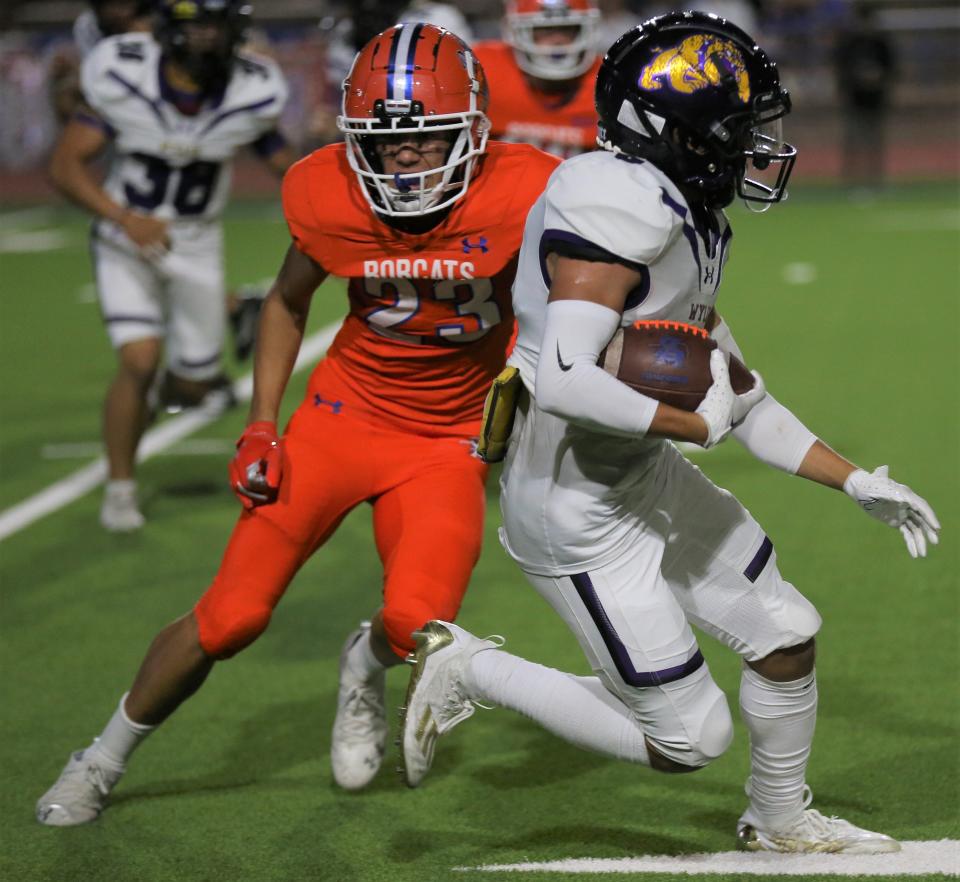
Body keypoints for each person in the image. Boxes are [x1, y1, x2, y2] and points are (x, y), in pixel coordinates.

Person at [399, 12, 940, 855]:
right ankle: (467, 666)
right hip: (573, 509)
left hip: (638, 473)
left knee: (785, 633)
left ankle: (778, 817)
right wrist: (694, 421)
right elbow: (569, 379)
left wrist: (854, 480)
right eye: (737, 127)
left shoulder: (678, 210)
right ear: (675, 132)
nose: (758, 145)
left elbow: (741, 393)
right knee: (689, 740)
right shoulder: (615, 206)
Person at [36, 23, 560, 825]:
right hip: (343, 418)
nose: (406, 160)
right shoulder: (331, 193)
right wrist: (262, 425)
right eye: (387, 144)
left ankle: (363, 666)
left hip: (446, 442)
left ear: (474, 133)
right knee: (232, 616)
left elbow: (575, 303)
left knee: (416, 623)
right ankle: (98, 759)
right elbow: (286, 301)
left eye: (427, 140)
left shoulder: (529, 189)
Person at [47, 0, 294, 532]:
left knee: (196, 387)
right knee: (139, 359)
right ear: (170, 29)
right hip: (124, 238)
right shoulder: (126, 75)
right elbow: (65, 164)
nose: (208, 38)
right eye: (197, 26)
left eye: (217, 27)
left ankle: (159, 395)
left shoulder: (250, 92)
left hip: (197, 246)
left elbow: (290, 168)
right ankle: (120, 489)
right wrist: (123, 216)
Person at [473, 0, 602, 157]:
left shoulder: (605, 82)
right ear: (516, 32)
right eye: (545, 29)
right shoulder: (484, 68)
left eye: (568, 29)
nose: (557, 41)